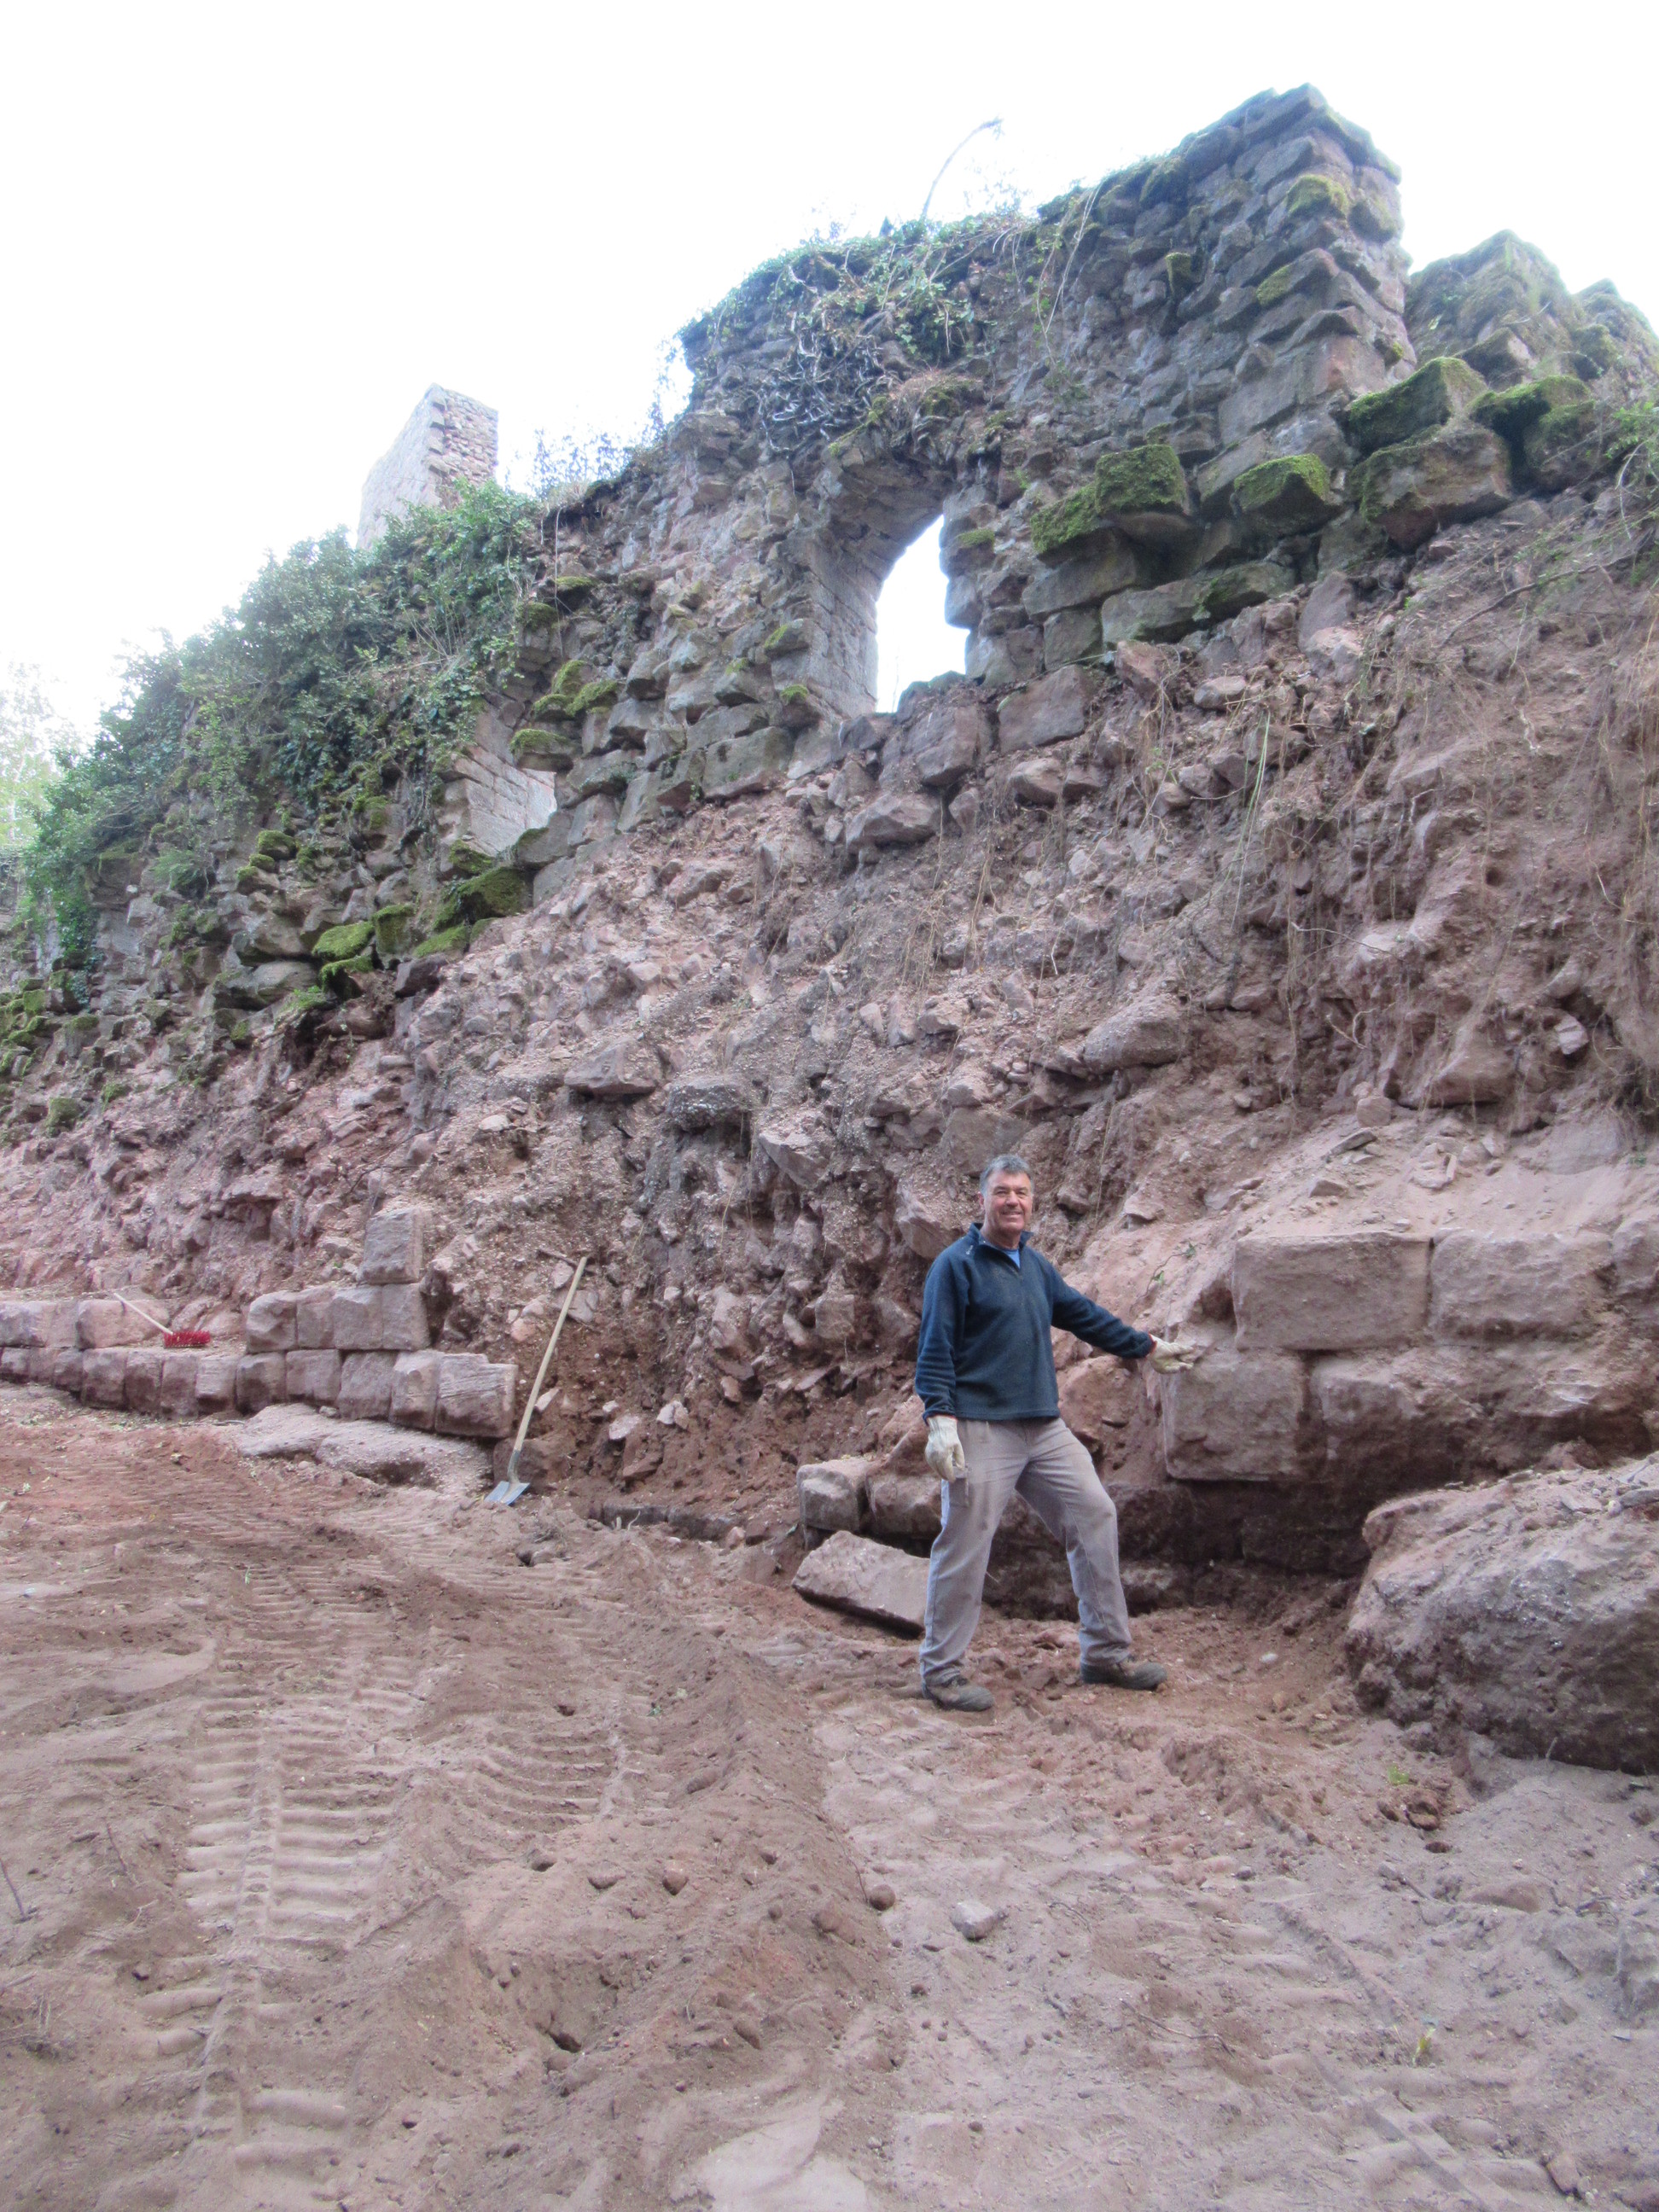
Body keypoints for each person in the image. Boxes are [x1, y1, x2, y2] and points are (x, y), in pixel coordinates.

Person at [912, 1154, 1196, 1713]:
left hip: (1043, 1429)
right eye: (1002, 1192)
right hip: (980, 1428)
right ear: (982, 1200)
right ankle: (941, 1673)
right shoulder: (955, 1266)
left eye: (1022, 1192)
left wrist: (1146, 1347)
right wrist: (940, 1422)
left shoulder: (1036, 1268)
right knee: (965, 1542)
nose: (1013, 1201)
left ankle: (1106, 1654)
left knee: (1094, 1514)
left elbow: (1084, 1316)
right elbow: (935, 1348)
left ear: (1032, 1202)